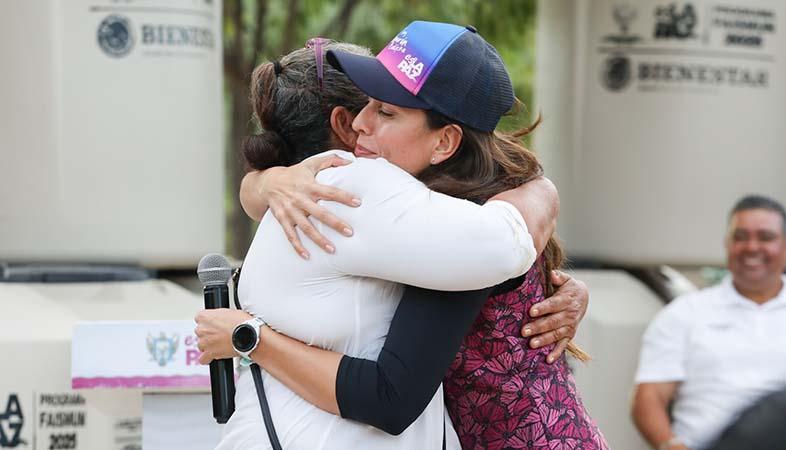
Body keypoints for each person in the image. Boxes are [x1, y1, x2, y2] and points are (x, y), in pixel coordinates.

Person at [196, 22, 602, 449]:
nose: (361, 126)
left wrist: (250, 336)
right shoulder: (419, 211)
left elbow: (389, 396)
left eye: (386, 111)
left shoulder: (451, 224)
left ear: (445, 142)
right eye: (366, 105)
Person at [632, 194, 786, 450]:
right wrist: (672, 446)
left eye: (766, 237)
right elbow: (650, 397)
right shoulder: (686, 313)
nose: (752, 247)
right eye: (740, 237)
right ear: (727, 244)